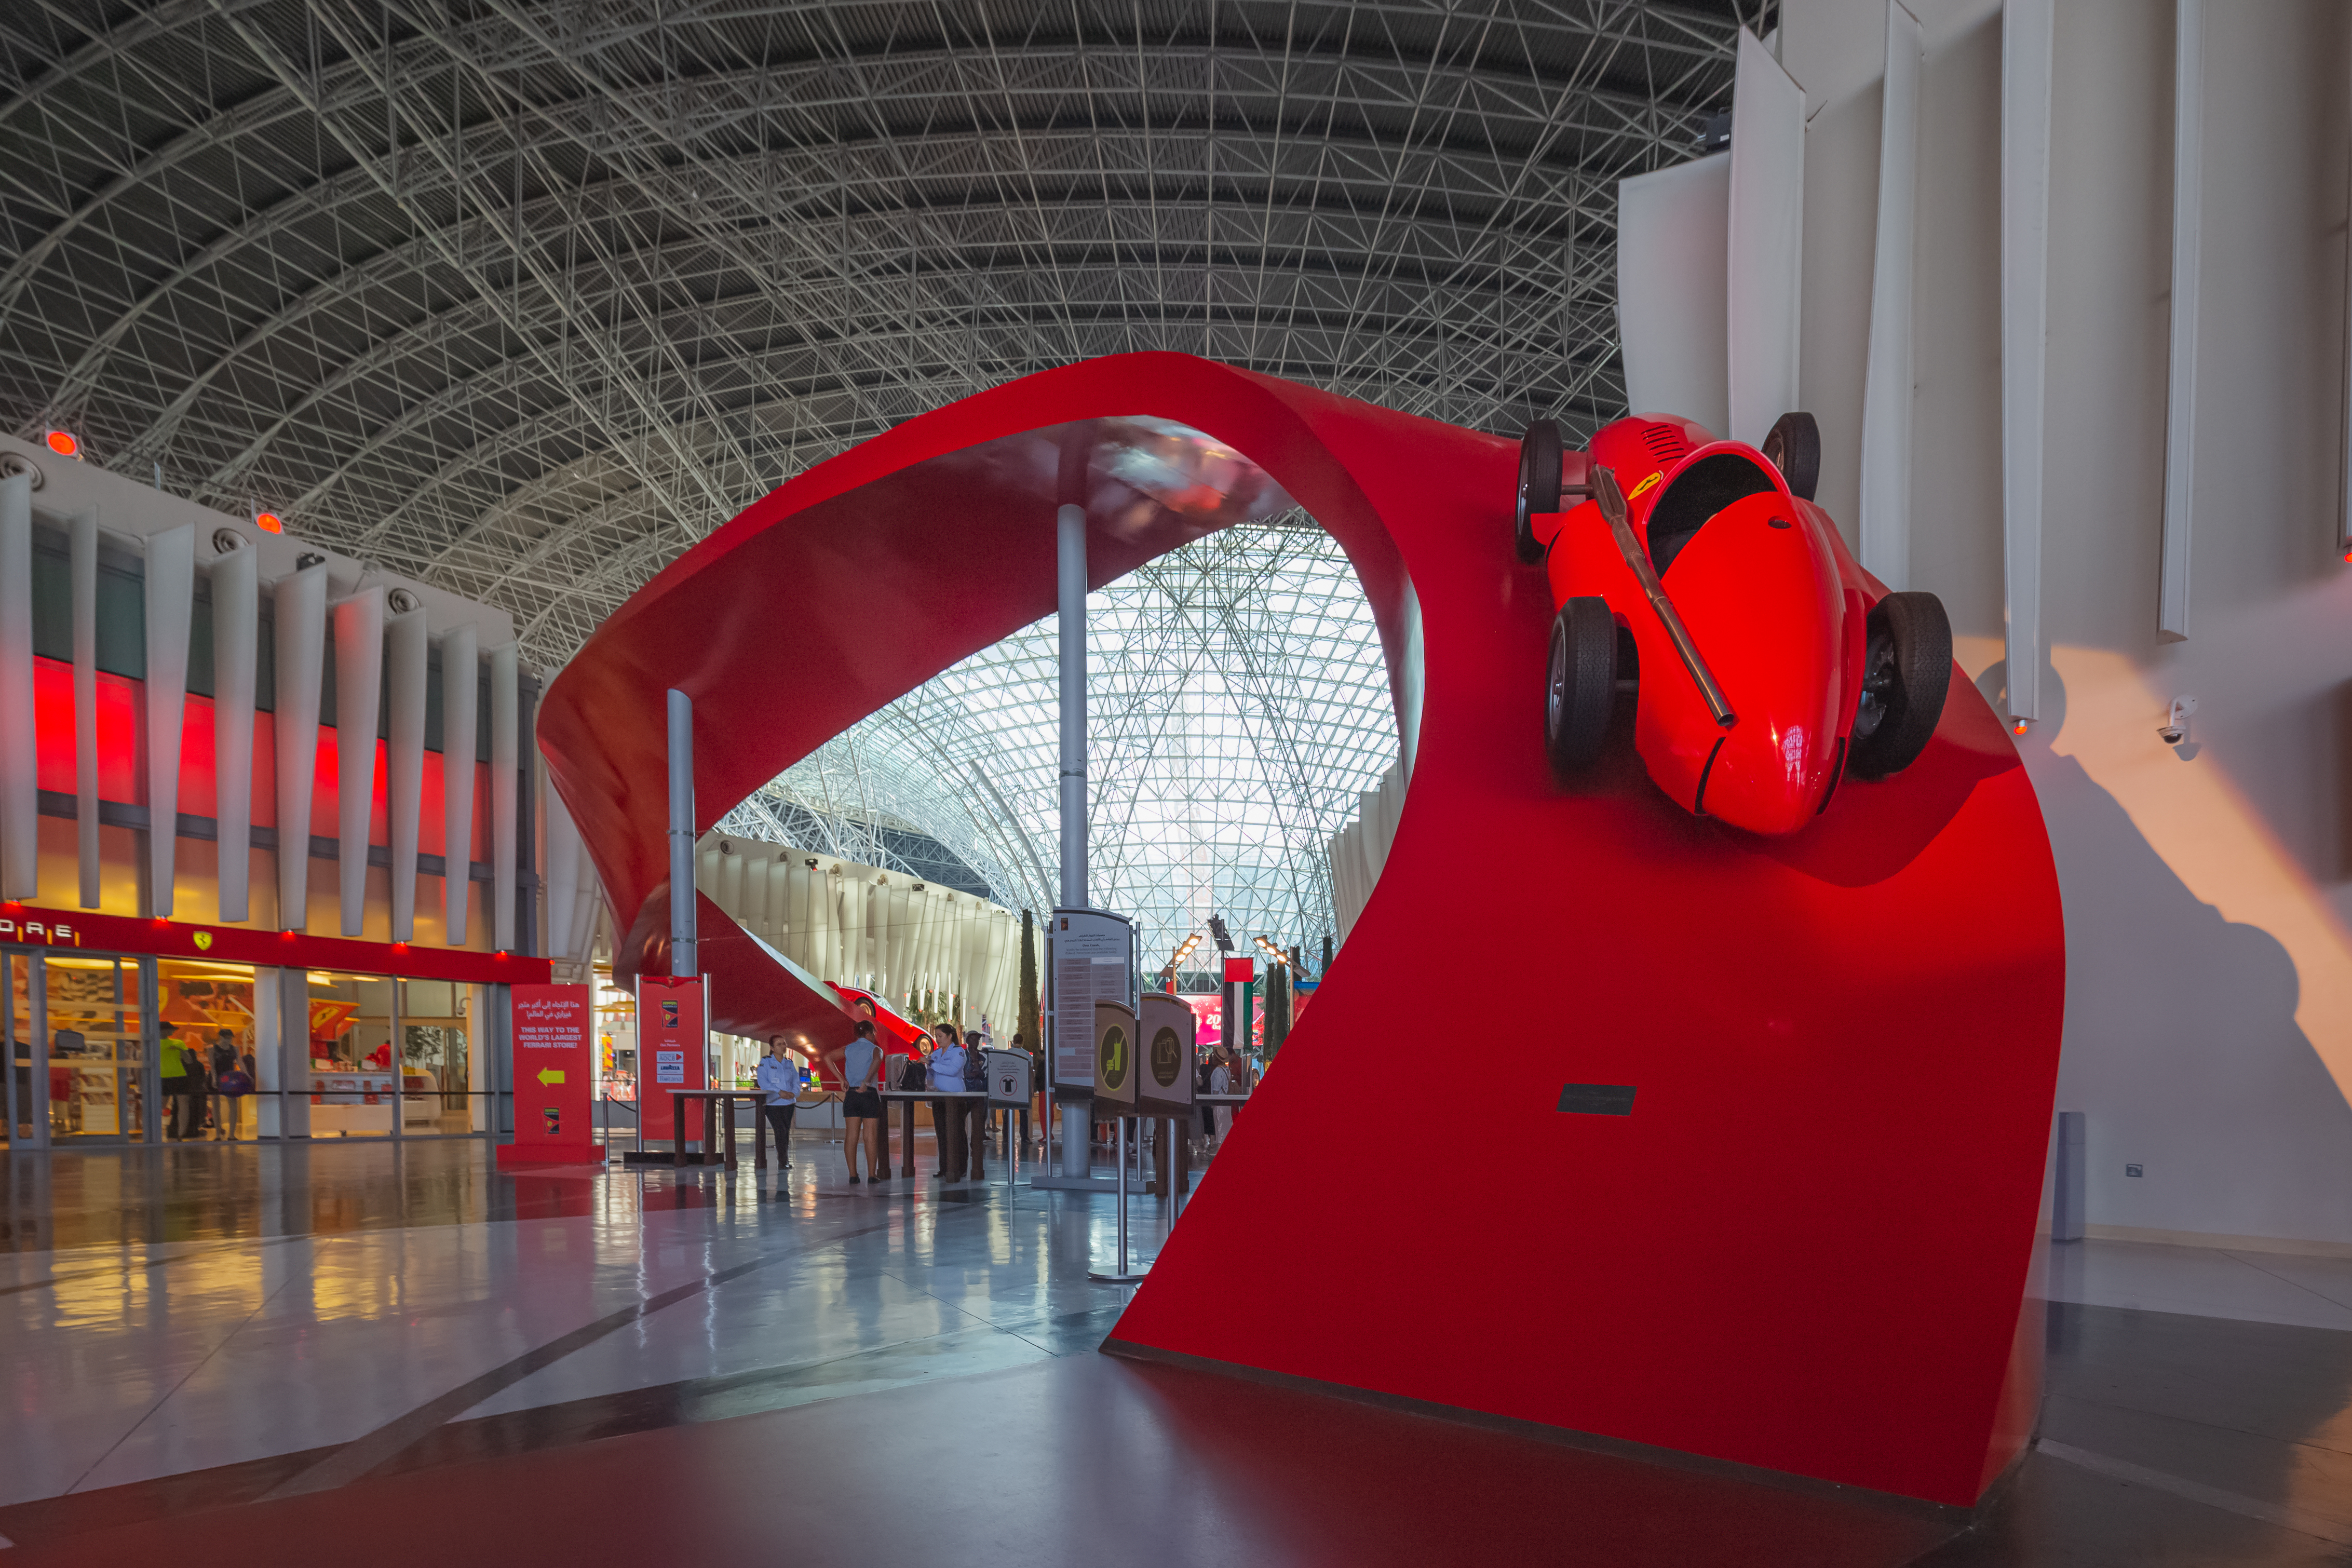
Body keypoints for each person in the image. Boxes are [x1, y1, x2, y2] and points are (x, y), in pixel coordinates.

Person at [832, 1020, 886, 1184]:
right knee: (870, 1136)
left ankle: (853, 1175)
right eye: (874, 1034)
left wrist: (842, 1079)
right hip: (868, 1093)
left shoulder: (848, 1049)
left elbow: (828, 1058)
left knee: (851, 1136)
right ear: (869, 1034)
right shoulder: (875, 1049)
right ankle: (871, 1175)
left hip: (852, 1094)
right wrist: (867, 1081)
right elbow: (877, 1060)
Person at [927, 1026, 968, 1178]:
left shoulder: (958, 1052)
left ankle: (960, 1167)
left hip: (955, 1097)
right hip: (939, 1097)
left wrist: (931, 1064)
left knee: (957, 1132)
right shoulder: (936, 1054)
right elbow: (931, 1073)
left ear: (950, 1036)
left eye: (940, 1036)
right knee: (942, 1132)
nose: (938, 1039)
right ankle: (944, 1167)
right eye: (936, 1036)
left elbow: (952, 1070)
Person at [754, 1039, 799, 1170]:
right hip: (773, 1103)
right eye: (779, 1044)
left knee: (785, 1132)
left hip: (788, 1103)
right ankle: (783, 1160)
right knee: (780, 1131)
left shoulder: (789, 1063)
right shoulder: (766, 1062)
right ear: (772, 1048)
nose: (783, 1046)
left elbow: (796, 1081)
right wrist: (780, 1092)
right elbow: (763, 1082)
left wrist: (793, 1093)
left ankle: (784, 1160)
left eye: (784, 1044)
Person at [158, 1026, 195, 1140]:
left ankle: (181, 1133)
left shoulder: (179, 1043)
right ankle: (157, 1131)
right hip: (163, 1077)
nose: (168, 1032)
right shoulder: (154, 1044)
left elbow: (189, 1061)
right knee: (160, 1105)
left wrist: (182, 1051)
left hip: (179, 1076)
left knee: (183, 1104)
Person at [207, 1029, 238, 1142]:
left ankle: (232, 1134)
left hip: (230, 1078)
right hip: (217, 1077)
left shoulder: (234, 1049)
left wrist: (246, 1074)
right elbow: (213, 1066)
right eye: (226, 1038)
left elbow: (239, 1062)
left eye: (230, 1038)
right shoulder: (212, 1049)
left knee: (233, 1103)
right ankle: (218, 1134)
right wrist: (215, 1078)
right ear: (220, 1037)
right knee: (216, 1105)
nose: (228, 1040)